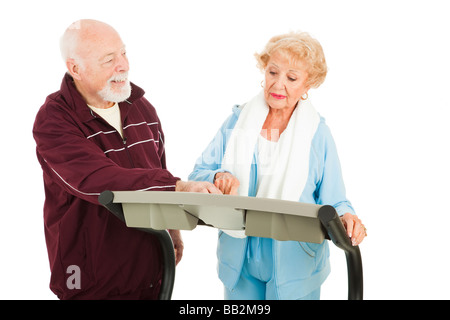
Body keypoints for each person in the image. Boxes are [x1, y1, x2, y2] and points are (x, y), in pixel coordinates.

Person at [33, 19, 221, 300]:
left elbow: (158, 168)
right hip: (89, 279)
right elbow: (97, 180)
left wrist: (172, 227)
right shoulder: (55, 120)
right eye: (109, 59)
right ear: (76, 68)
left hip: (149, 270)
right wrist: (177, 187)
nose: (123, 65)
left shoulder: (140, 106)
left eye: (123, 53)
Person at [188, 31, 367, 300]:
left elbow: (334, 199)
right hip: (239, 259)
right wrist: (218, 175)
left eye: (292, 78)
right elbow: (197, 174)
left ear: (309, 84)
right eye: (273, 72)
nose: (278, 84)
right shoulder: (237, 122)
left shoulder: (317, 134)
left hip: (296, 260)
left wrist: (348, 218)